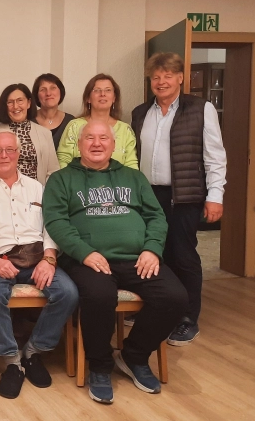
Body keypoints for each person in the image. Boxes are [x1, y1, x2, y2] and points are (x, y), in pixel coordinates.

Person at [43, 121, 188, 404]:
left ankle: (134, 356)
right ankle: (100, 366)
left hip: (138, 258)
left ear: (113, 144)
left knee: (175, 297)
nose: (96, 143)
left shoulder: (134, 177)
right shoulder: (61, 179)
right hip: (88, 260)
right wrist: (84, 252)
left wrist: (152, 249)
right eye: (90, 138)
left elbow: (156, 217)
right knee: (99, 296)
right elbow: (56, 222)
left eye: (103, 138)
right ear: (79, 144)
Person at [0, 131, 78, 399]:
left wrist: (49, 260)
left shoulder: (37, 188)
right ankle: (12, 360)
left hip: (37, 259)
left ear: (18, 154)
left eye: (9, 150)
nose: (4, 155)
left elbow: (51, 228)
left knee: (68, 292)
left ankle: (33, 352)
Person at [131, 52, 227, 346]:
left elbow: (215, 156)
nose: (161, 81)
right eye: (156, 77)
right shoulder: (140, 112)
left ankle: (187, 318)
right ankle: (158, 309)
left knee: (183, 256)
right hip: (148, 196)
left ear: (181, 78)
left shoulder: (201, 108)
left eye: (168, 76)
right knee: (154, 253)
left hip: (184, 196)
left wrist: (216, 196)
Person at [0, 83, 59, 185]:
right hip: (0, 191)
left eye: (20, 100)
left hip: (36, 192)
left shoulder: (45, 134)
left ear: (29, 103)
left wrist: (44, 192)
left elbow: (53, 171)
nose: (15, 106)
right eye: (10, 102)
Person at [57, 74, 138, 169]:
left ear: (114, 98)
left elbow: (131, 166)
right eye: (97, 90)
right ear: (88, 98)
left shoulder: (125, 130)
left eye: (108, 90)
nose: (103, 94)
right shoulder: (74, 126)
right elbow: (63, 161)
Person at [31, 73, 75, 149]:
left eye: (53, 88)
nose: (48, 93)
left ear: (60, 92)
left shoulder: (71, 122)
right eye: (43, 90)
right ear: (37, 95)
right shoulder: (28, 120)